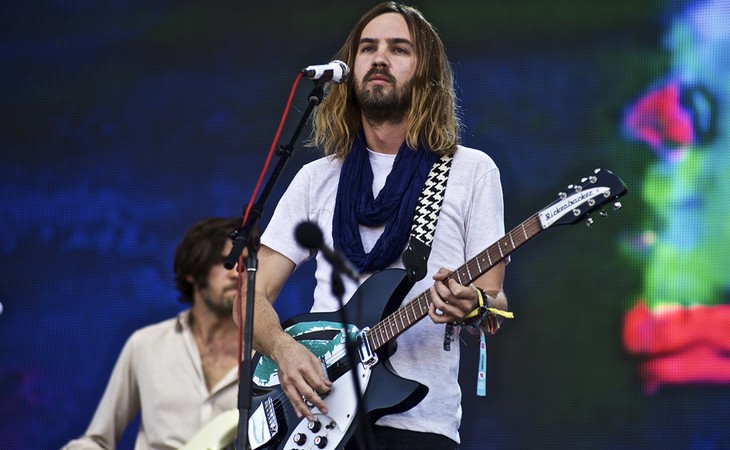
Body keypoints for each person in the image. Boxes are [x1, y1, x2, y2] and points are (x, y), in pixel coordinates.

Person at [242, 2, 510, 449]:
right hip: (320, 421)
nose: (379, 58)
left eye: (399, 49)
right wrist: (283, 350)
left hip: (420, 426)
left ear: (426, 76)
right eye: (368, 48)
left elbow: (494, 304)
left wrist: (475, 305)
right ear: (351, 68)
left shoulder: (471, 172)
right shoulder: (317, 177)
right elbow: (250, 295)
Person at [64, 217, 243, 450]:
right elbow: (97, 440)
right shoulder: (146, 344)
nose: (237, 274)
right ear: (192, 270)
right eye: (226, 263)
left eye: (246, 264)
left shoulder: (267, 358)